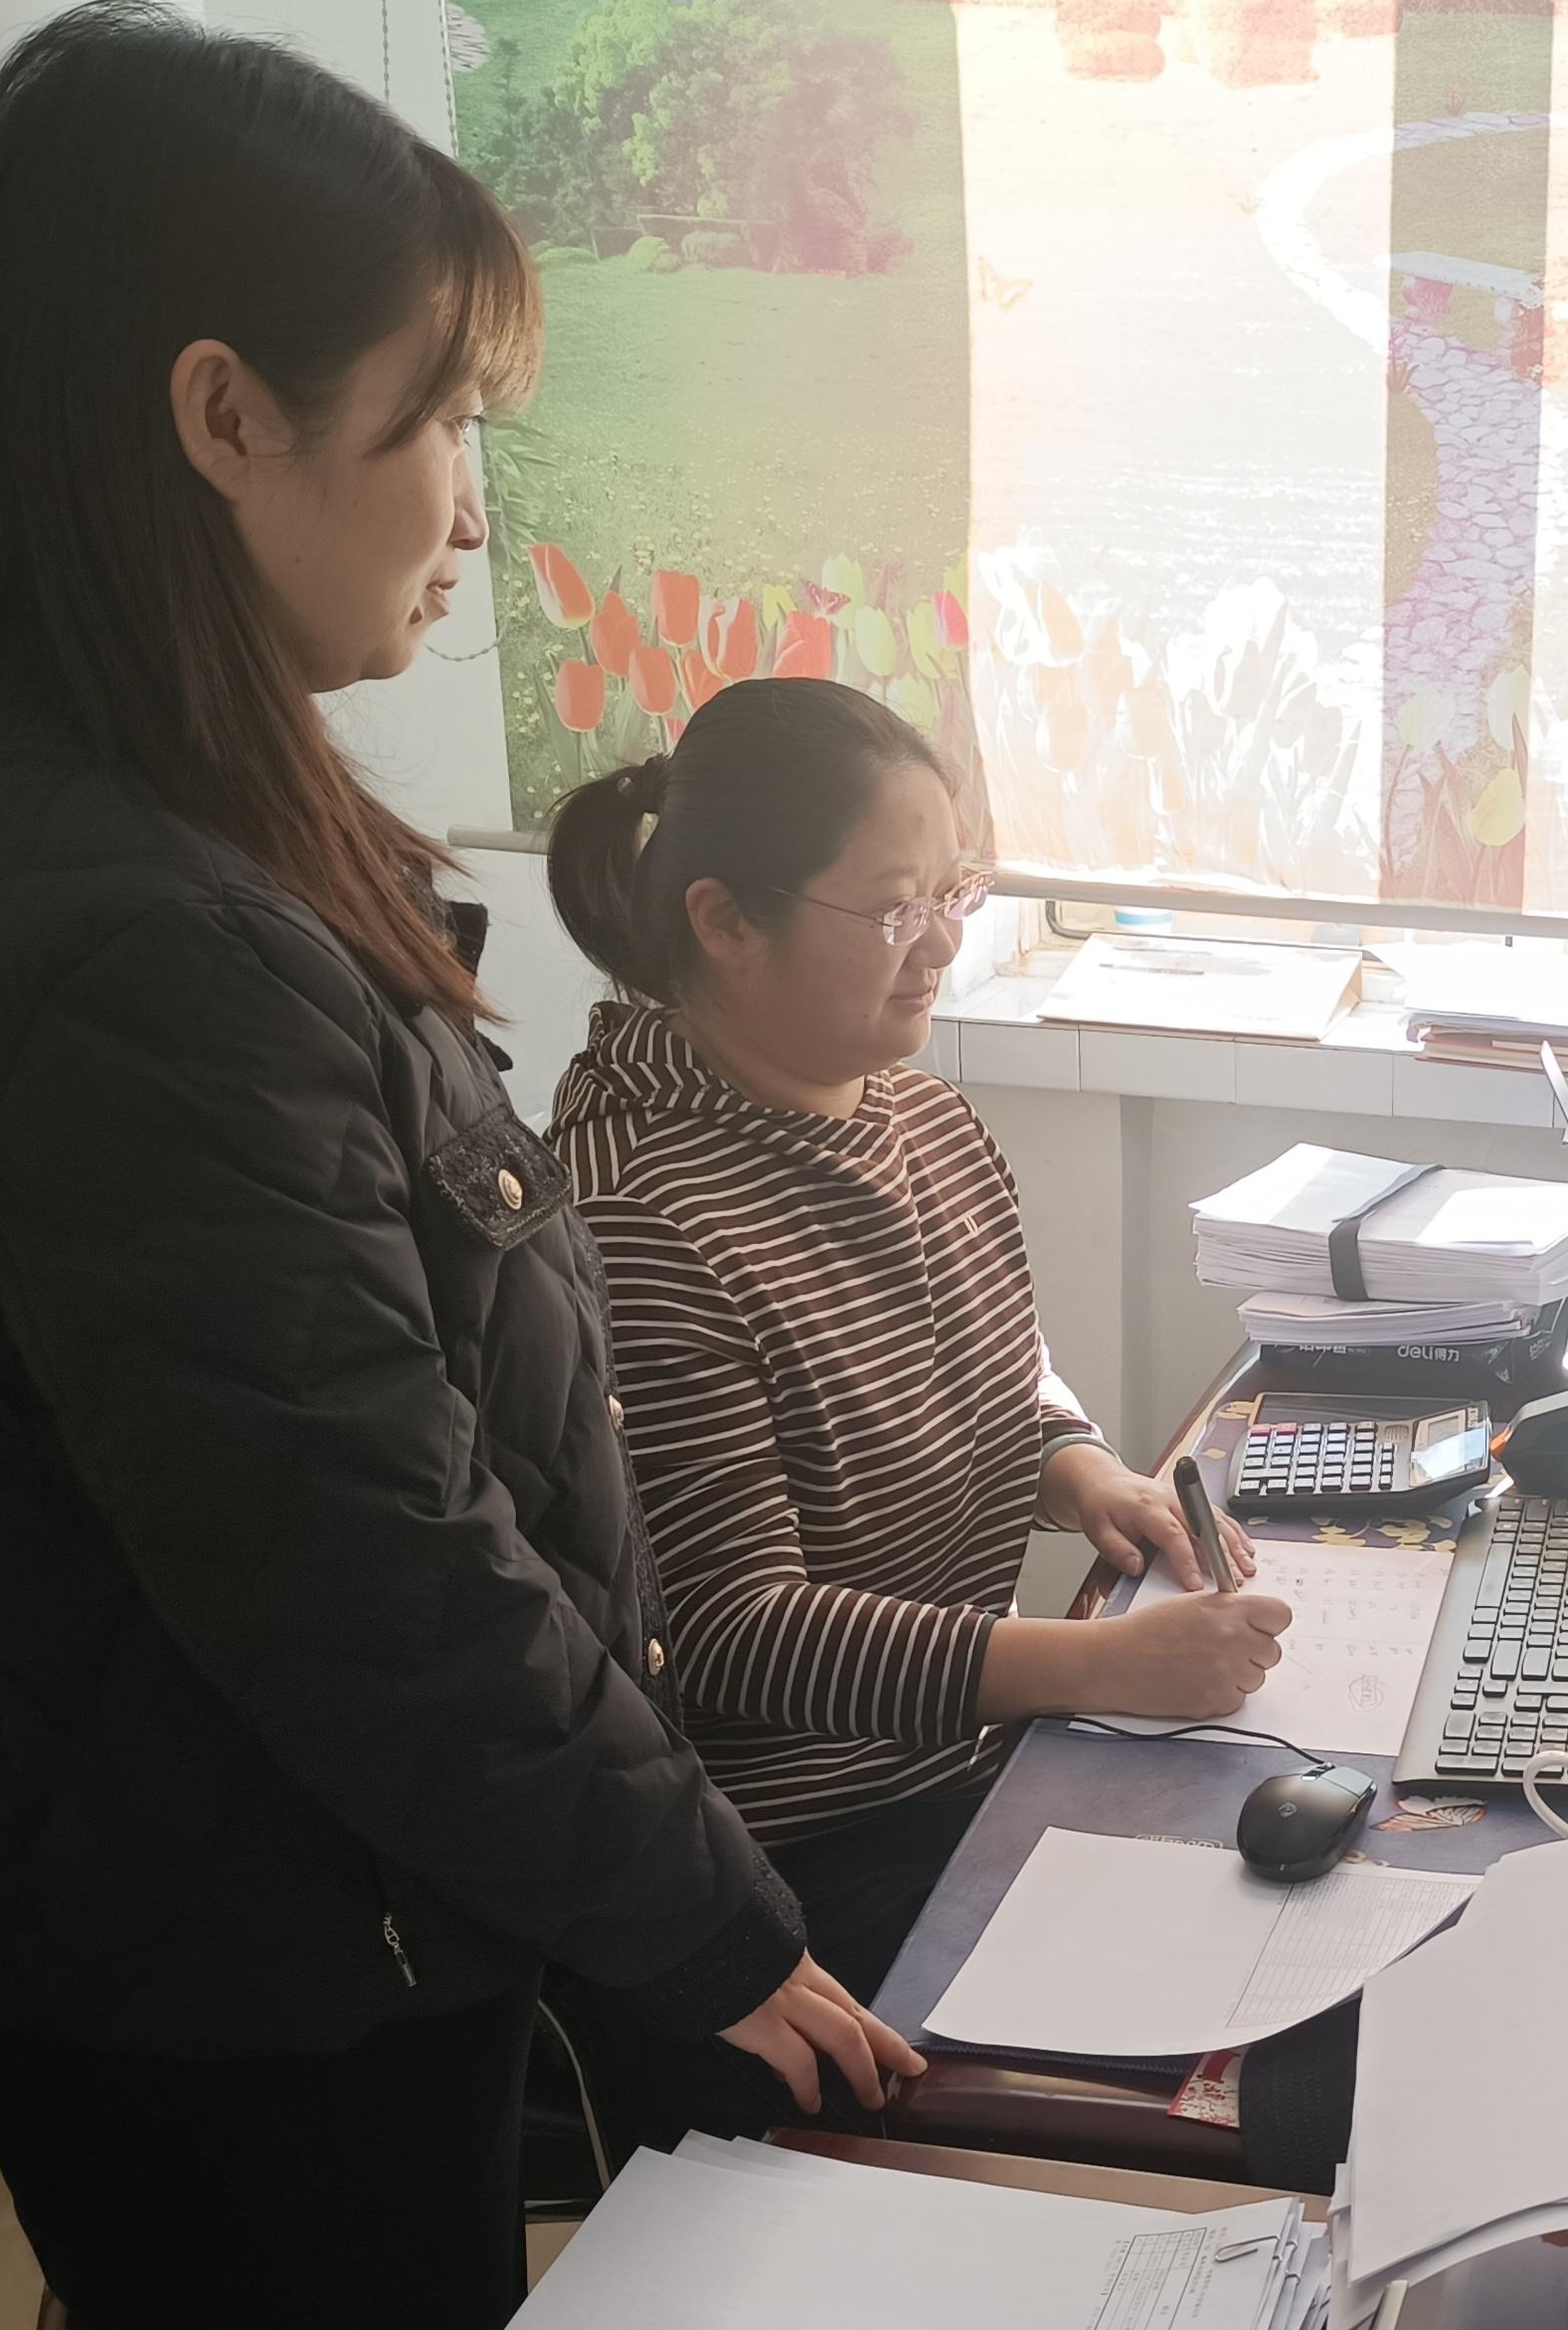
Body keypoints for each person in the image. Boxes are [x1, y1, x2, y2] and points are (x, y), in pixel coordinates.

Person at [0, 3, 919, 2330]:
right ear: (222, 418)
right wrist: (701, 1921)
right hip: (226, 1957)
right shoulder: (131, 932)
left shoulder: (157, 814)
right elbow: (365, 1551)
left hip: (269, 1893)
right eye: (440, 422)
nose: (476, 510)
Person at [541, 679, 1290, 2141]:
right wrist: (1098, 1667)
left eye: (955, 891)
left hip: (961, 1764)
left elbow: (998, 1364)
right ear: (724, 921)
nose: (943, 944)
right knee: (1245, 2051)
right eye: (896, 908)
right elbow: (739, 1630)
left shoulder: (913, 1111)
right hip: (804, 1854)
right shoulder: (640, 1215)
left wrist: (1078, 1464)